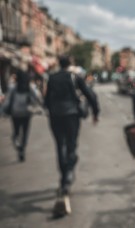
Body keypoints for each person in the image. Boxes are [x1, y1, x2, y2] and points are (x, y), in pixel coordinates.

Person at [44, 55, 100, 196]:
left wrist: (50, 109)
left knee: (59, 146)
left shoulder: (52, 77)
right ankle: (69, 173)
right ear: (70, 63)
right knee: (71, 145)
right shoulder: (75, 77)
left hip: (55, 115)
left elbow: (46, 100)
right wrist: (95, 112)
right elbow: (90, 95)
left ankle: (64, 178)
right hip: (71, 115)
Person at [3, 64, 42, 162]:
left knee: (16, 131)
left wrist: (4, 110)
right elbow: (37, 98)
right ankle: (22, 149)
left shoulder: (13, 88)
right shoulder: (29, 87)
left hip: (15, 113)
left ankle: (17, 143)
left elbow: (7, 101)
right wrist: (38, 107)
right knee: (25, 132)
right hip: (26, 112)